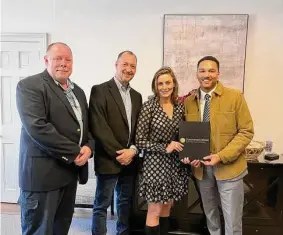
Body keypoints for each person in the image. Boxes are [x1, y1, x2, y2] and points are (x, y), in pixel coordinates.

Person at [16, 42, 94, 235]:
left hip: (69, 175)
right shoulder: (29, 86)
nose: (63, 63)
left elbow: (86, 128)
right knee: (39, 231)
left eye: (68, 59)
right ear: (46, 60)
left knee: (61, 229)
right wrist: (76, 151)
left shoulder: (78, 92)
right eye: (58, 58)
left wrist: (89, 147)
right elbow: (38, 128)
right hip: (42, 177)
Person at [182, 56, 254, 235]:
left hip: (229, 169)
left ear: (218, 73)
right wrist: (190, 156)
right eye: (202, 71)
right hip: (201, 171)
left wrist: (220, 156)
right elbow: (187, 135)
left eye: (211, 71)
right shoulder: (189, 102)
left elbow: (246, 132)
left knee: (232, 220)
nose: (207, 75)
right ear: (197, 74)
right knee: (210, 216)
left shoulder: (235, 97)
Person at [89, 51, 142, 235]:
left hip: (130, 160)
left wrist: (132, 151)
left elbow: (138, 128)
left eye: (133, 66)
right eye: (125, 64)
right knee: (101, 205)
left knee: (125, 203)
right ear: (116, 64)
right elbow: (98, 127)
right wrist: (121, 154)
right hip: (109, 159)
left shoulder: (137, 96)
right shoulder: (100, 90)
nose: (129, 69)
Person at [135, 67, 189, 235]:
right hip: (155, 165)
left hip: (174, 164)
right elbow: (140, 141)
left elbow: (184, 136)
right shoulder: (149, 107)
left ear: (174, 84)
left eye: (168, 82)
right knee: (155, 211)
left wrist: (188, 153)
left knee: (166, 208)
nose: (164, 87)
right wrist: (165, 147)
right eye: (160, 83)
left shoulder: (180, 107)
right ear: (155, 86)